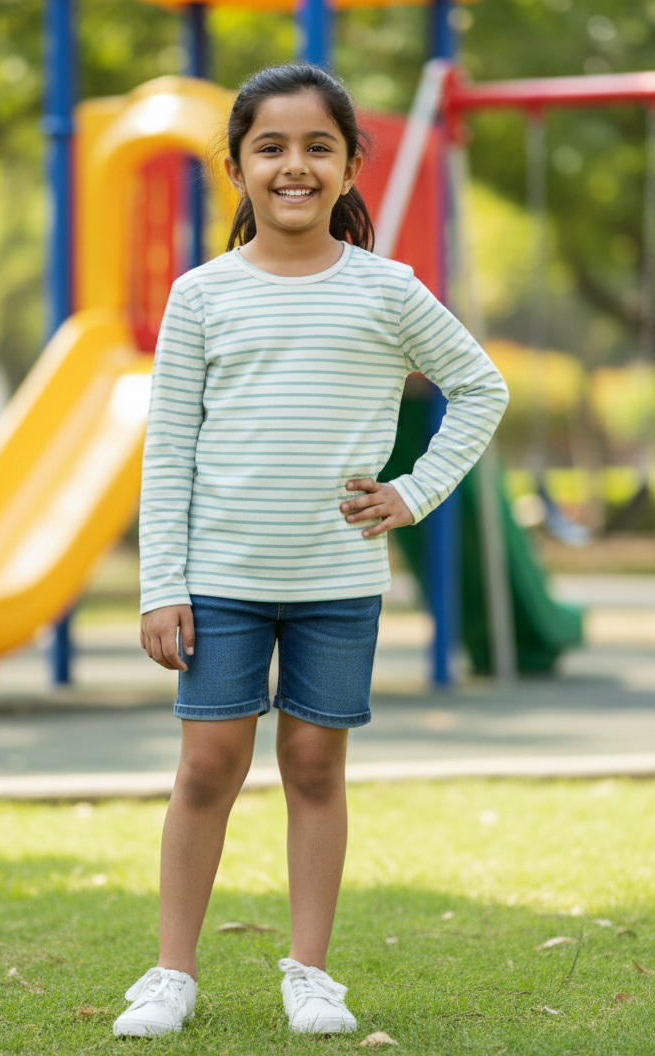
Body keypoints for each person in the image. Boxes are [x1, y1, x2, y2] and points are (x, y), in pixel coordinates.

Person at [113, 62, 509, 1039]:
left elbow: (480, 388)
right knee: (208, 763)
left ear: (348, 165)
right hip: (220, 580)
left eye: (315, 147)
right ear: (238, 167)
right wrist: (160, 583)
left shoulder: (388, 290)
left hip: (337, 581)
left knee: (313, 768)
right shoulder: (200, 296)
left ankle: (310, 972)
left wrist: (412, 494)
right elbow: (167, 449)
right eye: (270, 147)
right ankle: (171, 974)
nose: (293, 165)